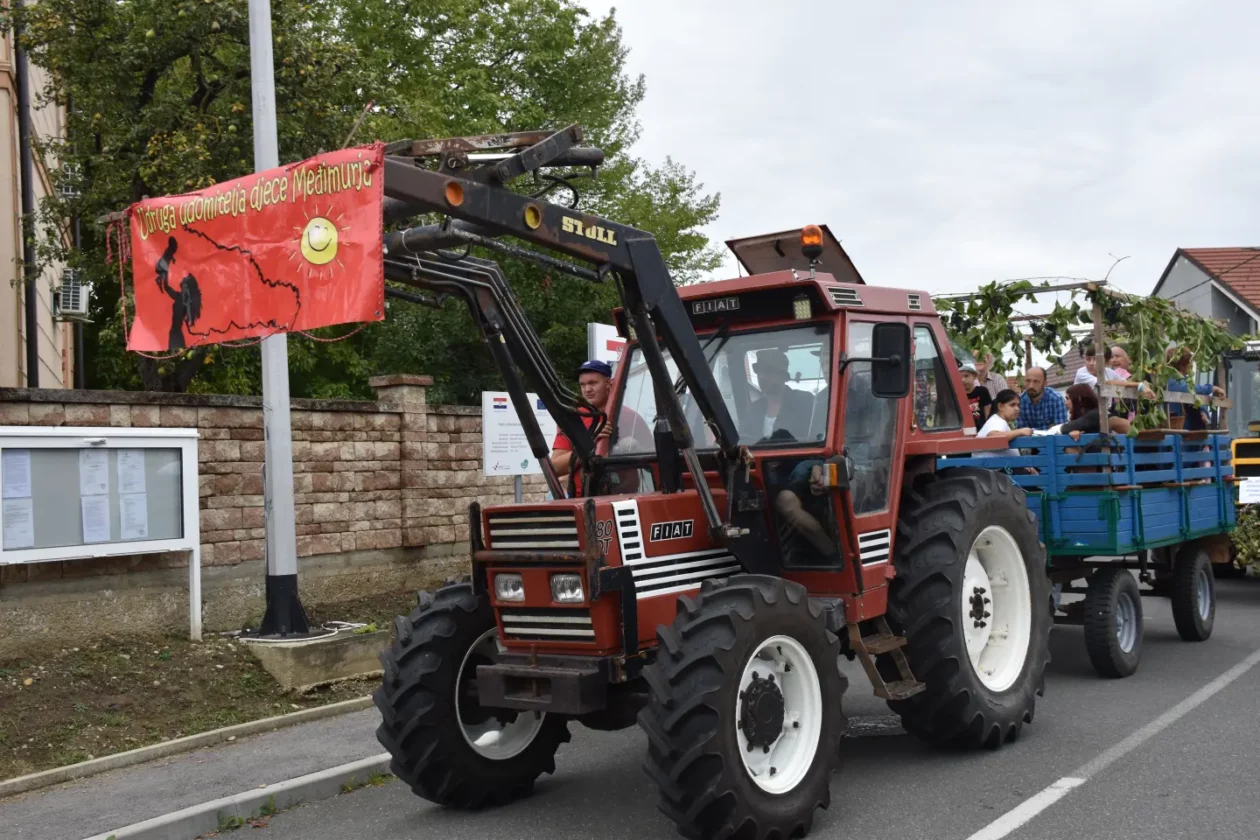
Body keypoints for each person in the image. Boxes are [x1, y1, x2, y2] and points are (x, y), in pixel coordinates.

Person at [549, 360, 651, 494]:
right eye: (583, 385)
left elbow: (656, 464)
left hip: (626, 497)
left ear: (609, 383)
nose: (587, 390)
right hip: (583, 499)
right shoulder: (573, 420)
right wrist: (590, 442)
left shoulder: (632, 418)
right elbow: (555, 468)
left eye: (593, 383)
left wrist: (636, 450)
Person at [745, 348, 816, 442]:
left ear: (783, 376)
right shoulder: (755, 409)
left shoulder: (804, 402)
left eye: (769, 372)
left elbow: (815, 438)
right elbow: (744, 441)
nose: (762, 377)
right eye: (759, 371)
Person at [1162, 346, 1225, 432]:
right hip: (1177, 431)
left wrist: (1203, 412)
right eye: (1189, 363)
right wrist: (1212, 388)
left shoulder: (1182, 380)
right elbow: (1188, 390)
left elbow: (1195, 398)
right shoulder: (1171, 379)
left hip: (1185, 430)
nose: (1191, 366)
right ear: (1182, 365)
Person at [1059, 383, 1131, 439]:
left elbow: (1066, 428)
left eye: (1067, 398)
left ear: (1079, 399)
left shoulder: (1095, 415)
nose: (1065, 403)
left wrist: (1051, 431)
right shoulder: (1086, 417)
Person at [976, 389, 1034, 457]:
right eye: (1012, 405)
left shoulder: (998, 421)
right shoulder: (997, 421)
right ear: (1000, 406)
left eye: (1018, 405)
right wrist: (1021, 431)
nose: (1017, 408)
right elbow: (993, 437)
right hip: (989, 466)